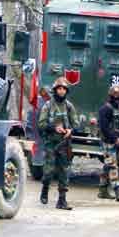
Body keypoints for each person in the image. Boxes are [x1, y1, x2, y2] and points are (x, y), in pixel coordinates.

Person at [37, 77, 77, 210]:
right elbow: (41, 124)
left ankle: (62, 201)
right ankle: (45, 188)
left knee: (64, 172)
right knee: (48, 171)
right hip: (51, 144)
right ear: (55, 90)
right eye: (59, 89)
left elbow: (75, 123)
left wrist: (70, 130)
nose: (61, 91)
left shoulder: (69, 106)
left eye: (64, 89)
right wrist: (54, 128)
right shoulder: (48, 106)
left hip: (64, 144)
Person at [97, 85, 119, 202]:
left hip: (116, 142)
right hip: (107, 143)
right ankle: (118, 192)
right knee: (112, 166)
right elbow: (104, 128)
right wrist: (115, 139)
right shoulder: (104, 109)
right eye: (116, 97)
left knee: (108, 166)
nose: (118, 99)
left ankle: (102, 191)